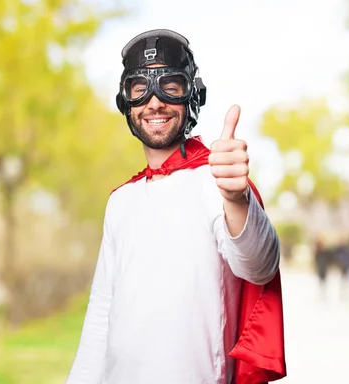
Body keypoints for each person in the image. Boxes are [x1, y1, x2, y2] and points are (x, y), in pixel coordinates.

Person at [66, 29, 286, 384]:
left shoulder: (215, 180)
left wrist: (236, 198)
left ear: (193, 96)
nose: (154, 102)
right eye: (140, 89)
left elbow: (259, 266)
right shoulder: (120, 200)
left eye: (171, 85)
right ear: (127, 103)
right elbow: (101, 312)